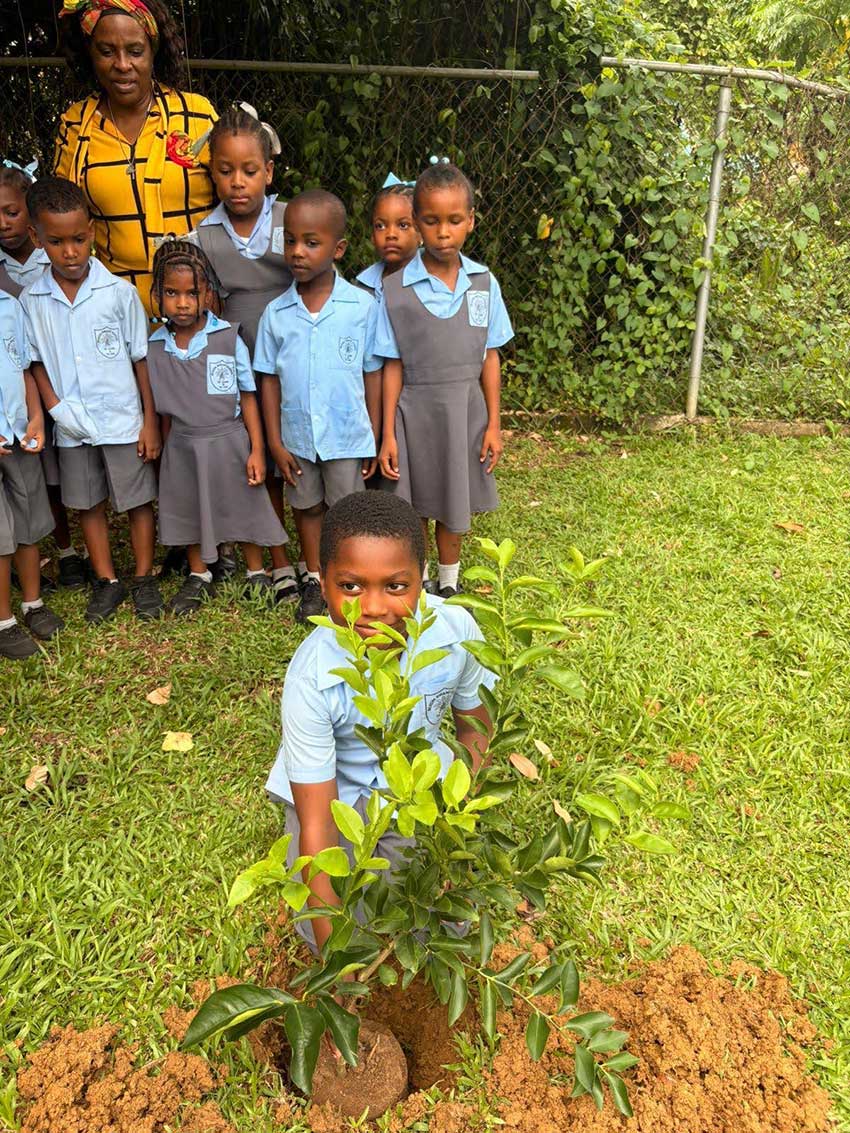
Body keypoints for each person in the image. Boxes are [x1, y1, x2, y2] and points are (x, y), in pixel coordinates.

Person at [264, 490, 495, 952]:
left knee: (432, 920)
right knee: (333, 919)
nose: (372, 608)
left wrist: (455, 808)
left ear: (423, 580)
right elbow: (319, 827)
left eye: (396, 586)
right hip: (335, 798)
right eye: (350, 586)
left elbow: (476, 726)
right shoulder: (312, 677)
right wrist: (336, 964)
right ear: (322, 582)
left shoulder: (455, 633)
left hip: (414, 788)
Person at [21, 176, 163, 623]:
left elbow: (142, 360)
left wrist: (150, 421)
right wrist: (56, 407)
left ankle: (143, 576)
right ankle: (107, 580)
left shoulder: (119, 294)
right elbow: (34, 362)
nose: (70, 252)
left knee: (137, 500)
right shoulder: (31, 300)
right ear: (36, 238)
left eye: (79, 239)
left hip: (124, 418)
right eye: (57, 242)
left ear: (92, 233)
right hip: (71, 423)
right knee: (86, 503)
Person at [376, 160, 513, 598]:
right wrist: (387, 434)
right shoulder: (394, 290)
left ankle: (449, 585)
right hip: (412, 412)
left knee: (454, 502)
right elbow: (391, 364)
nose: (443, 232)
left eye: (454, 220)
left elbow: (490, 356)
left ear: (470, 221)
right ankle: (417, 581)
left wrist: (493, 422)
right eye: (431, 221)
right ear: (416, 223)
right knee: (413, 502)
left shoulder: (483, 283)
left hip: (464, 413)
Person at [255, 190, 382, 624]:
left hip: (347, 434)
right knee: (306, 508)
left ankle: (348, 582)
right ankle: (314, 579)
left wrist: (376, 434)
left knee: (347, 509)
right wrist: (274, 440)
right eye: (290, 241)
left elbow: (373, 373)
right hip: (296, 438)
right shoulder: (276, 314)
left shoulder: (362, 307)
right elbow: (268, 379)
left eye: (311, 242)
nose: (297, 252)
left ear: (338, 248)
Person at [147, 239, 288, 615]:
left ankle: (256, 570)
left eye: (191, 293)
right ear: (157, 295)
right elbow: (162, 409)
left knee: (244, 503)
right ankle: (199, 574)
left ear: (207, 292)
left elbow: (248, 395)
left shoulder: (226, 338)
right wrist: (161, 447)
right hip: (183, 445)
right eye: (172, 294)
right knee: (189, 506)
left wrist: (257, 449)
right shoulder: (156, 347)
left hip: (228, 439)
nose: (182, 303)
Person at [54, 0, 217, 318]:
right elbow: (62, 222)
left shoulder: (196, 115)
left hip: (197, 315)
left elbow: (240, 205)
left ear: (153, 51)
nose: (122, 64)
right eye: (106, 51)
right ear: (91, 54)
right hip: (115, 317)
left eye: (135, 51)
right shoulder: (76, 125)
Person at [197, 104, 297, 602]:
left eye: (250, 170)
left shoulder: (290, 220)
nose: (238, 182)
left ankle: (312, 561)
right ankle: (276, 560)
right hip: (240, 364)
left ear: (269, 172)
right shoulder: (204, 236)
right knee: (256, 459)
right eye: (226, 170)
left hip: (290, 359)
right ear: (211, 172)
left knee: (293, 454)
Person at [0, 159, 88, 589]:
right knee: (43, 472)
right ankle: (60, 548)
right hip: (21, 392)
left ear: (29, 218)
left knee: (68, 469)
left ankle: (82, 551)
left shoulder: (56, 252)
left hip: (65, 382)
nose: (3, 223)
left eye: (11, 212)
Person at [0, 285, 64, 660]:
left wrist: (37, 418)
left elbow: (23, 369)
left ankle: (32, 602)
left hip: (20, 437)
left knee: (28, 523)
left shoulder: (10, 305)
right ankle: (4, 622)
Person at [355, 173, 421, 301]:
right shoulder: (363, 287)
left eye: (403, 225)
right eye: (380, 226)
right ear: (372, 235)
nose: (390, 235)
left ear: (421, 233)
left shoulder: (433, 284)